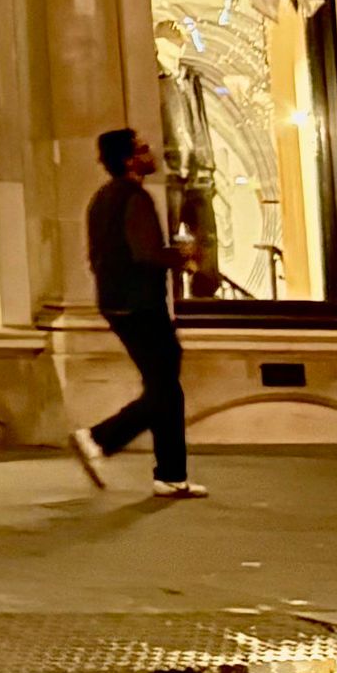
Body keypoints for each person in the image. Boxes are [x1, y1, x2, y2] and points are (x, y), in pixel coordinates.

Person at [73, 125, 204, 498]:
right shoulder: (134, 197)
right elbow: (145, 252)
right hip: (140, 303)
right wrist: (183, 255)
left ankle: (171, 474)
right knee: (164, 387)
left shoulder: (101, 198)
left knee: (165, 387)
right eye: (143, 148)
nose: (151, 153)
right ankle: (98, 438)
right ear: (130, 159)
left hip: (117, 301)